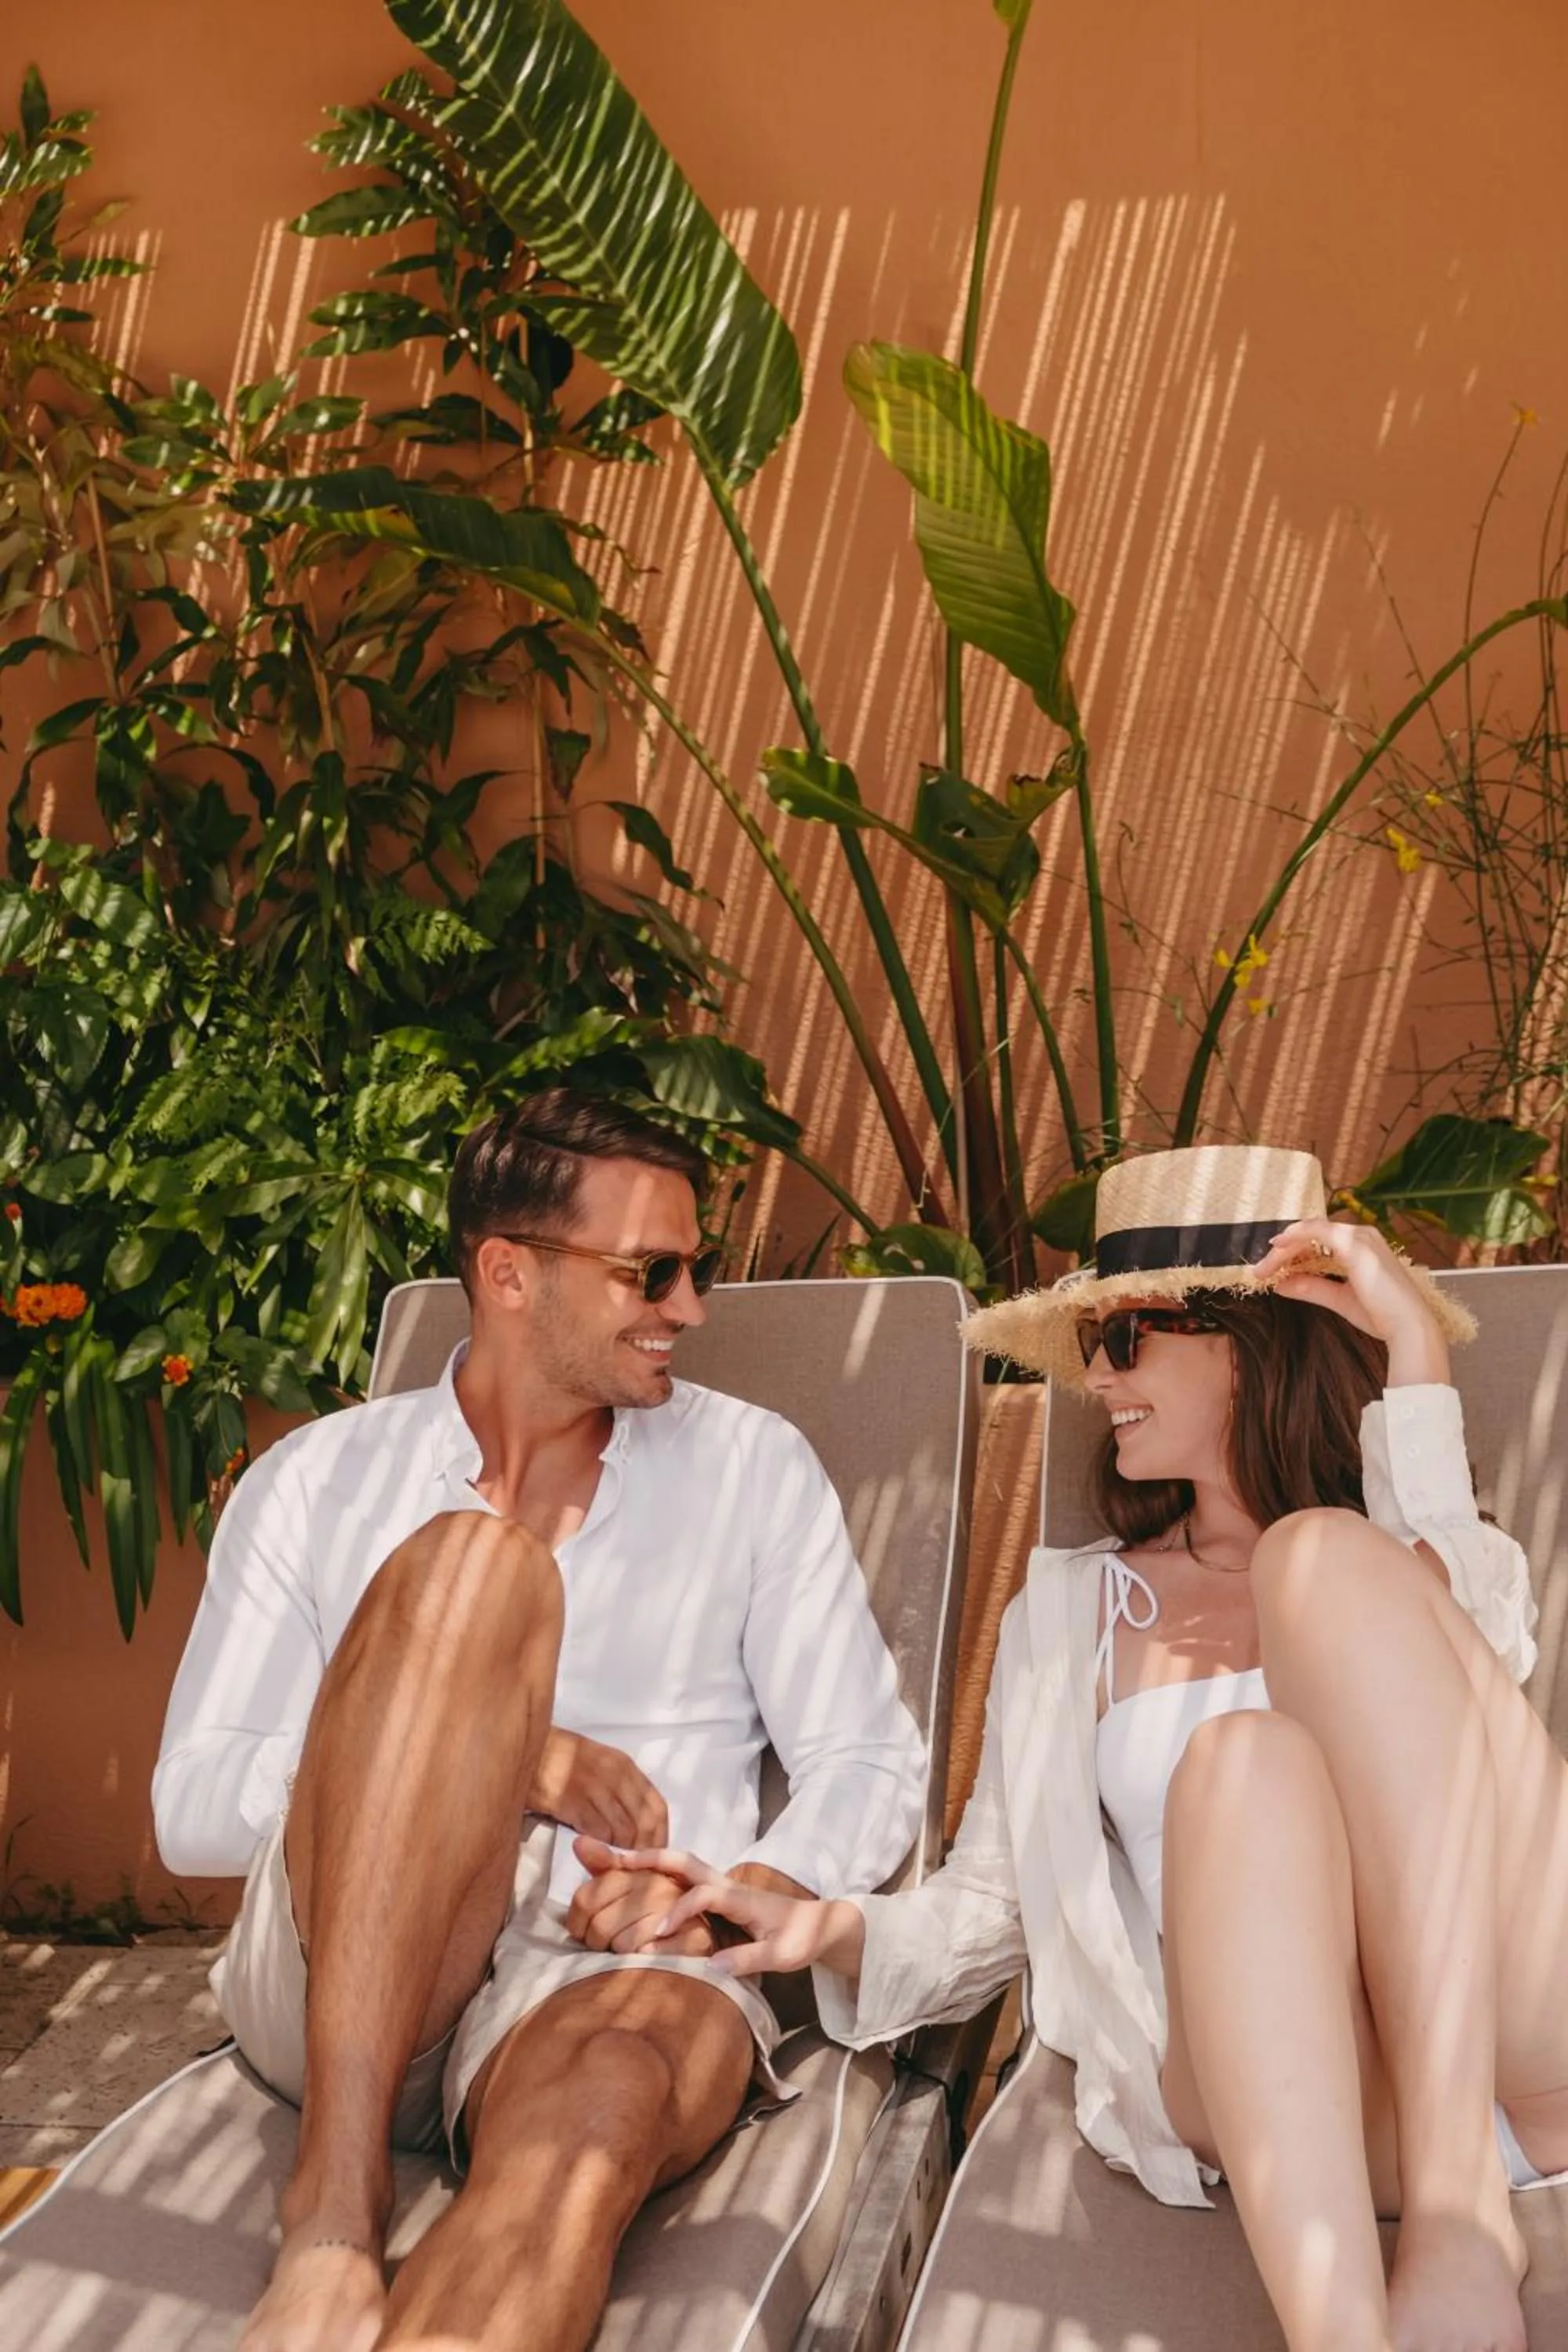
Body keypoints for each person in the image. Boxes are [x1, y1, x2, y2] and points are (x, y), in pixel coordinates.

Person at [623, 1145, 1568, 2352]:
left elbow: (1488, 1682)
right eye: (1091, 1346)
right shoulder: (1073, 1615)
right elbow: (991, 1902)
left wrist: (1414, 1357)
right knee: (1240, 1764)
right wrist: (829, 1928)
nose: (1098, 1379)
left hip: (1519, 2033)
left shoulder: (1390, 1549)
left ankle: (1457, 2221)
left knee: (1318, 1560)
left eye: (1128, 1341)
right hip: (1295, 2086)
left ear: (1251, 1338)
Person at [152, 1087, 926, 2352]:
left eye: (700, 1268)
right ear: (509, 1273)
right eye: (651, 1271)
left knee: (611, 2098)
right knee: (472, 1574)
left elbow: (866, 1759)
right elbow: (189, 1808)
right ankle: (335, 2217)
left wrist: (735, 1890)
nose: (690, 1308)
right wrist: (507, 1758)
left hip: (606, 1973)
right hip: (331, 1970)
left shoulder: (750, 1468)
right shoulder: (318, 1482)